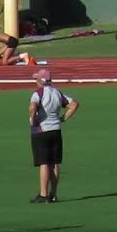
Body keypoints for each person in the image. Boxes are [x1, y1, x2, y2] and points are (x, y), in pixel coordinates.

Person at [28, 68, 78, 203]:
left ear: (40, 80)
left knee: (44, 162)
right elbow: (74, 104)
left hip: (41, 130)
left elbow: (33, 106)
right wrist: (63, 118)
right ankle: (53, 194)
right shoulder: (57, 92)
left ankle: (43, 194)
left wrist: (33, 119)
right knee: (54, 162)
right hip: (56, 129)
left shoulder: (38, 92)